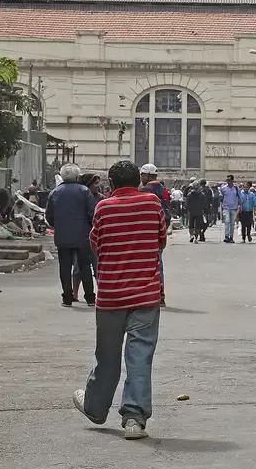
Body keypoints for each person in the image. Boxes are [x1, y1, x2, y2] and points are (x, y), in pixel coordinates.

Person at [72, 160, 167, 440]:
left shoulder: (103, 207)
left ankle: (95, 408)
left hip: (112, 295)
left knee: (107, 357)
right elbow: (161, 240)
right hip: (145, 295)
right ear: (139, 181)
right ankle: (134, 420)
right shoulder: (152, 204)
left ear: (111, 185)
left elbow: (96, 243)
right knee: (140, 358)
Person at [46, 163, 98, 307]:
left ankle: (67, 297)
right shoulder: (84, 191)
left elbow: (49, 216)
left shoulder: (55, 192)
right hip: (82, 235)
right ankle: (90, 297)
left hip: (62, 235)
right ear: (77, 176)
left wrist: (58, 225)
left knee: (65, 267)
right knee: (84, 266)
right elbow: (92, 213)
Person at [219, 175, 242, 244]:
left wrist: (240, 206)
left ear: (232, 180)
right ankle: (226, 236)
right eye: (227, 180)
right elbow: (221, 196)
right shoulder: (223, 188)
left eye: (229, 180)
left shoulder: (236, 188)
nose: (228, 181)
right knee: (227, 221)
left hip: (234, 208)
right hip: (226, 207)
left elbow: (239, 197)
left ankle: (231, 236)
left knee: (232, 223)